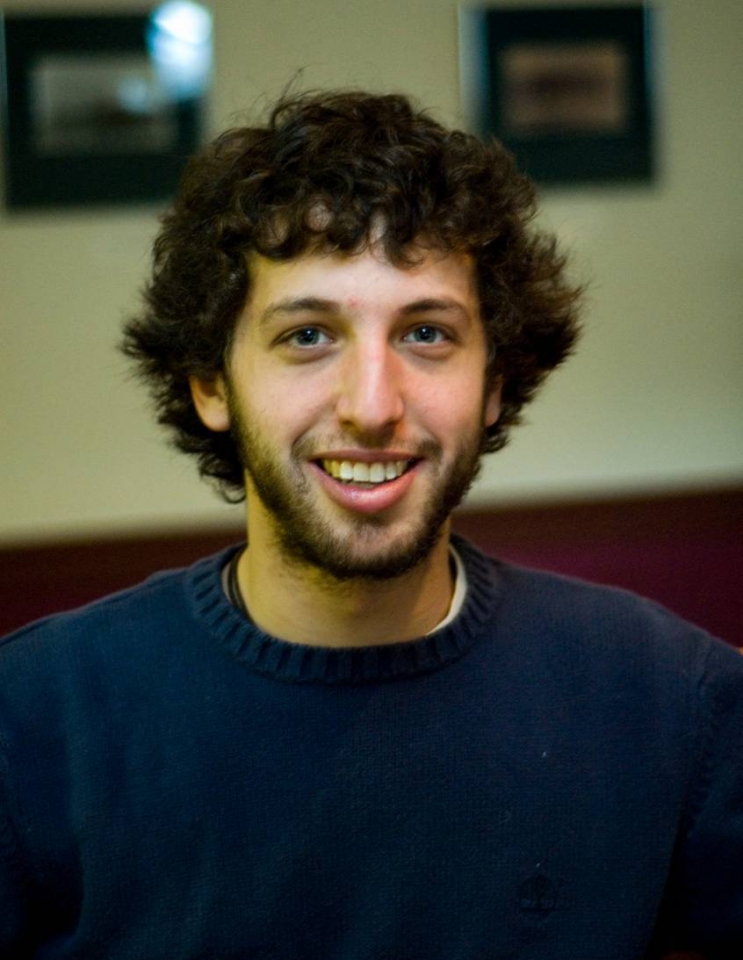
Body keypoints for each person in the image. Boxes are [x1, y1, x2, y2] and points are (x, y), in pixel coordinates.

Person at [1, 90, 741, 960]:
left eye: (425, 333)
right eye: (308, 336)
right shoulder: (34, 720)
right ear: (211, 384)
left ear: (493, 383)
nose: (372, 405)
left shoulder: (671, 701)